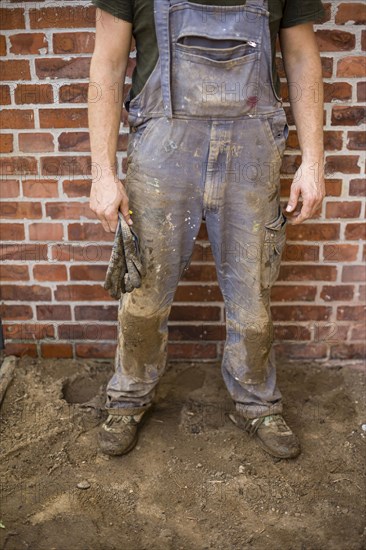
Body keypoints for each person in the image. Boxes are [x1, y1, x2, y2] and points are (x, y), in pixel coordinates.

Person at [88, 0, 325, 459]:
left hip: (251, 152)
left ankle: (256, 403)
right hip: (162, 148)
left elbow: (301, 57)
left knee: (252, 295)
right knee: (145, 291)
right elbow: (108, 61)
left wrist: (313, 162)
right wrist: (102, 173)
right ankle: (130, 396)